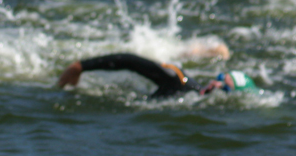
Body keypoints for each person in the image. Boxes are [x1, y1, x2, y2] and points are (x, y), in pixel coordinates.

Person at [57, 53, 257, 97]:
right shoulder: (178, 81)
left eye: (226, 86)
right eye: (221, 81)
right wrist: (81, 66)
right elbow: (131, 61)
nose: (218, 85)